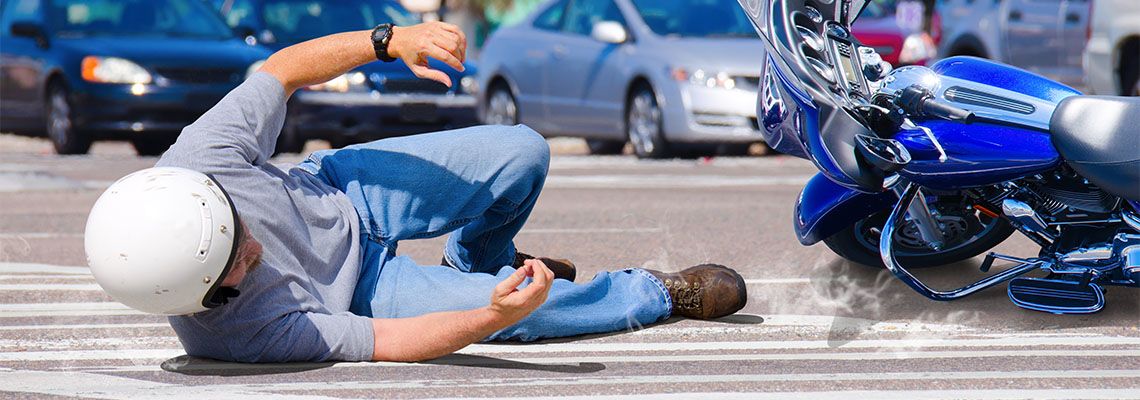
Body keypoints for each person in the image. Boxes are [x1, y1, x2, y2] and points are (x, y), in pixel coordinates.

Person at [83, 21, 748, 363]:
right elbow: (392, 342)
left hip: (342, 191)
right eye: (234, 271)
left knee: (522, 151)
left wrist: (391, 40)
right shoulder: (238, 335)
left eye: (237, 233)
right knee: (525, 315)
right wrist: (490, 317)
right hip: (364, 291)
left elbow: (281, 70)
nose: (252, 251)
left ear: (209, 199)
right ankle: (657, 293)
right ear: (201, 300)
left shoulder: (197, 160)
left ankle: (479, 261)